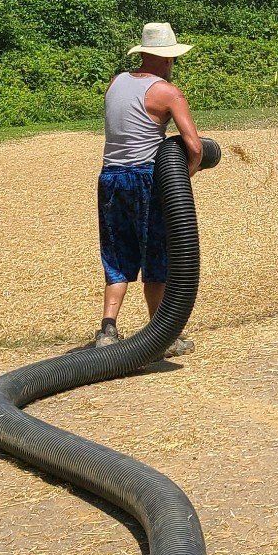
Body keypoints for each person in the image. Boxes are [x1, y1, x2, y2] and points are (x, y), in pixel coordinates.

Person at [94, 21, 204, 351]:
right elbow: (195, 147)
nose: (173, 64)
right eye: (172, 58)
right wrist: (183, 177)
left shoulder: (116, 82)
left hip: (110, 177)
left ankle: (107, 330)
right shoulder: (167, 92)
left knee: (116, 255)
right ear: (165, 59)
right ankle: (162, 336)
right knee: (155, 254)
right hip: (145, 177)